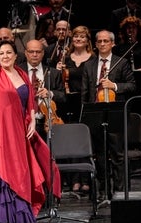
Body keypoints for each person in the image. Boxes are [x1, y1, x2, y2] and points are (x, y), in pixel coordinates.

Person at [0, 40, 61, 223]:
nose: (5, 56)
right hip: (1, 132)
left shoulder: (21, 74)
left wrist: (33, 121)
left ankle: (21, 214)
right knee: (3, 169)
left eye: (8, 53)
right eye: (1, 53)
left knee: (21, 170)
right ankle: (3, 216)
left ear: (15, 55)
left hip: (20, 131)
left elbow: (29, 102)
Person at [81, 30, 136, 201]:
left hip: (115, 114)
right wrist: (85, 115)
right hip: (96, 115)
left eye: (106, 41)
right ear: (96, 44)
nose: (103, 44)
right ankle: (103, 191)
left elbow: (132, 85)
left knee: (118, 156)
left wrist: (114, 86)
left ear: (112, 43)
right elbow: (85, 92)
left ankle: (119, 192)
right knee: (100, 156)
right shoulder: (89, 65)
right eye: (100, 41)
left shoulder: (122, 62)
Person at [55, 25, 96, 193]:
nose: (78, 39)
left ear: (87, 40)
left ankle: (85, 179)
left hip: (84, 102)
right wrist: (57, 70)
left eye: (82, 36)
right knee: (69, 141)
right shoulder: (65, 58)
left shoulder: (93, 58)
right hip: (68, 102)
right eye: (76, 36)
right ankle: (72, 180)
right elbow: (58, 82)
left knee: (83, 141)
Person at [18, 39, 66, 141]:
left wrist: (50, 93)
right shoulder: (17, 72)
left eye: (38, 52)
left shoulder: (53, 73)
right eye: (31, 52)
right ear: (26, 53)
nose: (35, 55)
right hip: (23, 122)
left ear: (43, 53)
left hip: (47, 122)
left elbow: (63, 96)